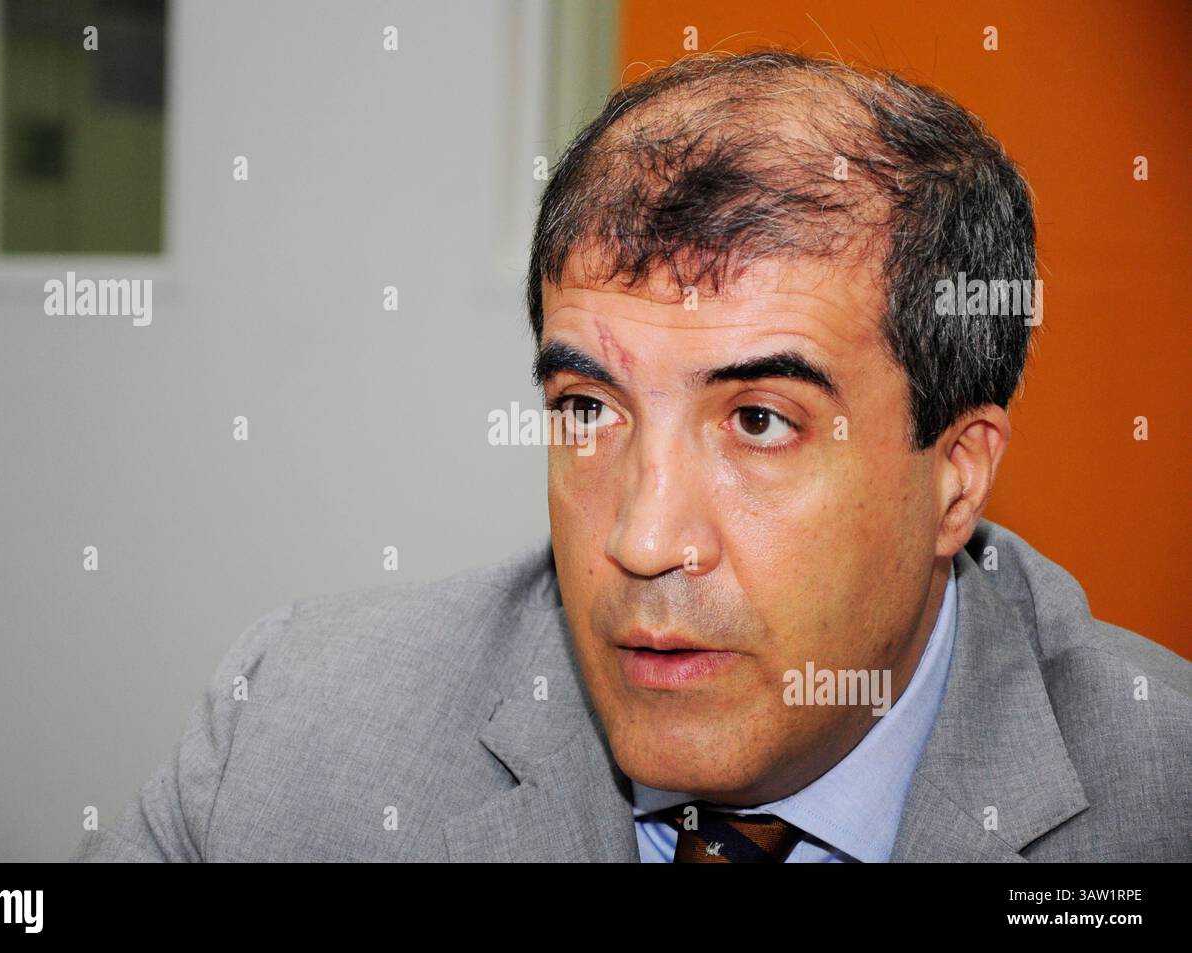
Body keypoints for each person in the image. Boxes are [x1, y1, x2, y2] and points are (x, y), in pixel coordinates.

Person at [72, 49, 1191, 863]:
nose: (644, 539)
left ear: (956, 475)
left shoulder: (1164, 790)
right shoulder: (294, 732)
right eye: (588, 410)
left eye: (759, 421)